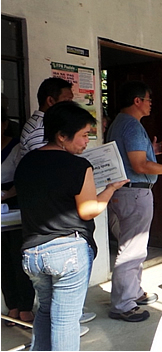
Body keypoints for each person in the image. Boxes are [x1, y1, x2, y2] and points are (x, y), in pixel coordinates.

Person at [15, 101, 128, 350]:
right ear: (62, 136)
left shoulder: (26, 163)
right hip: (67, 253)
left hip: (32, 253)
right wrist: (109, 189)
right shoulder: (78, 166)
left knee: (44, 312)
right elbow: (88, 211)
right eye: (83, 135)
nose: (86, 142)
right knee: (66, 321)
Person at [106, 81, 162, 322]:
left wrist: (150, 150)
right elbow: (140, 165)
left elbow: (135, 159)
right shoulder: (132, 126)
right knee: (131, 249)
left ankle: (132, 292)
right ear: (137, 101)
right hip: (134, 193)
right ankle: (123, 304)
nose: (150, 104)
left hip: (125, 192)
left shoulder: (120, 123)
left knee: (133, 247)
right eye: (148, 99)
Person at [1, 106, 36, 328]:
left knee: (18, 255)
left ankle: (25, 307)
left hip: (14, 204)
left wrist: (5, 195)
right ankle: (11, 305)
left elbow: (23, 178)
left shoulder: (17, 148)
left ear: (4, 124)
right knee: (3, 258)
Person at [17, 77, 73, 162]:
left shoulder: (46, 124)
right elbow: (46, 163)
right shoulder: (40, 128)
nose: (71, 105)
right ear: (50, 101)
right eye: (67, 101)